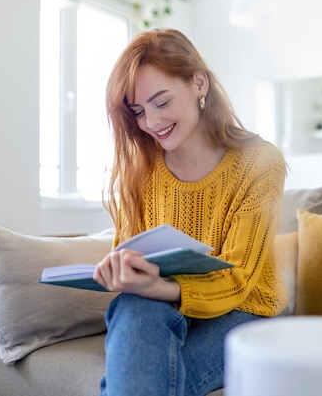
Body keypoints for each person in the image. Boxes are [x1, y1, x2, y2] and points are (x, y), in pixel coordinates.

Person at [93, 28, 287, 396]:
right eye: (138, 111)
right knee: (134, 304)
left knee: (148, 378)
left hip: (245, 312)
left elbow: (240, 278)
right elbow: (128, 248)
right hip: (164, 304)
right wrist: (125, 273)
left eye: (161, 103)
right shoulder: (141, 169)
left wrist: (160, 287)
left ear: (199, 83)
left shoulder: (260, 163)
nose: (150, 122)